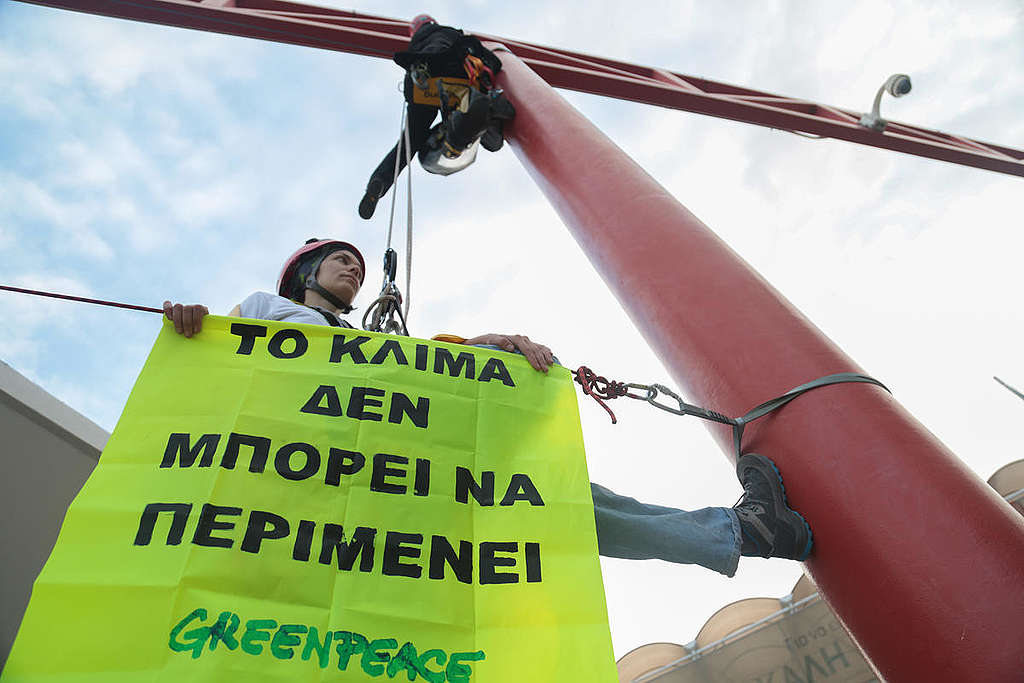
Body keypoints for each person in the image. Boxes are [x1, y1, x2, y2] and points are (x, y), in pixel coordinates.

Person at [164, 238, 812, 577]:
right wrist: (192, 325)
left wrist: (490, 346)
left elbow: (418, 371)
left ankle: (745, 532)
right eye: (340, 261)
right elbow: (228, 370)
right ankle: (744, 532)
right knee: (562, 511)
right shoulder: (265, 311)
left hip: (402, 464)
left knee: (565, 502)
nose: (353, 272)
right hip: (329, 477)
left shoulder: (368, 344)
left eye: (358, 268)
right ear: (302, 271)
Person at [358, 14, 515, 220]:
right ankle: (472, 123)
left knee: (410, 141)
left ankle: (378, 183)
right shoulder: (451, 32)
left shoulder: (417, 43)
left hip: (421, 80)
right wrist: (489, 69)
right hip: (454, 70)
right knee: (470, 122)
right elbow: (489, 58)